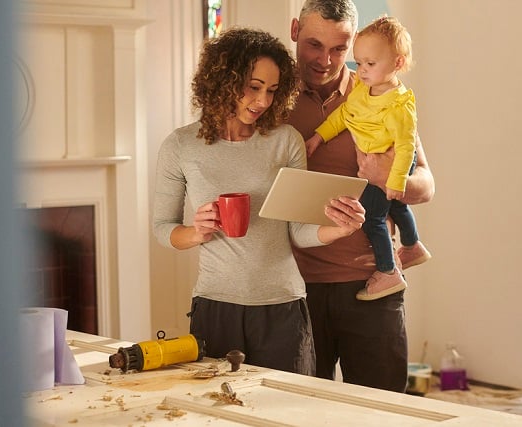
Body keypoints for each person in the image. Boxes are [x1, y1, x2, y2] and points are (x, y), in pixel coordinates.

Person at [152, 27, 365, 376]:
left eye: (272, 90)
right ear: (223, 80)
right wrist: (195, 233)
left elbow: (297, 231)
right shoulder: (181, 146)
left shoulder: (286, 141)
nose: (263, 101)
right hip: (215, 306)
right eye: (253, 87)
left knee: (288, 411)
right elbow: (163, 228)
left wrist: (338, 230)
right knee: (220, 411)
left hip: (283, 306)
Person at [288, 0, 436, 393]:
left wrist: (389, 176)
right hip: (293, 287)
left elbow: (426, 183)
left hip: (372, 281)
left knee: (381, 411)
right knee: (301, 411)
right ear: (294, 32)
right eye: (314, 45)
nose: (326, 59)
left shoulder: (380, 94)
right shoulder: (267, 97)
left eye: (340, 48)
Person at [304, 15, 431, 302]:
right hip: (309, 279)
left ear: (397, 64)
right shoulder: (363, 91)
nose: (360, 70)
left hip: (394, 166)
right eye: (358, 62)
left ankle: (387, 272)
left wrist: (392, 179)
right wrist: (319, 137)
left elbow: (408, 149)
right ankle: (412, 245)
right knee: (395, 206)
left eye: (369, 64)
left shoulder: (399, 105)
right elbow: (343, 116)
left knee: (374, 216)